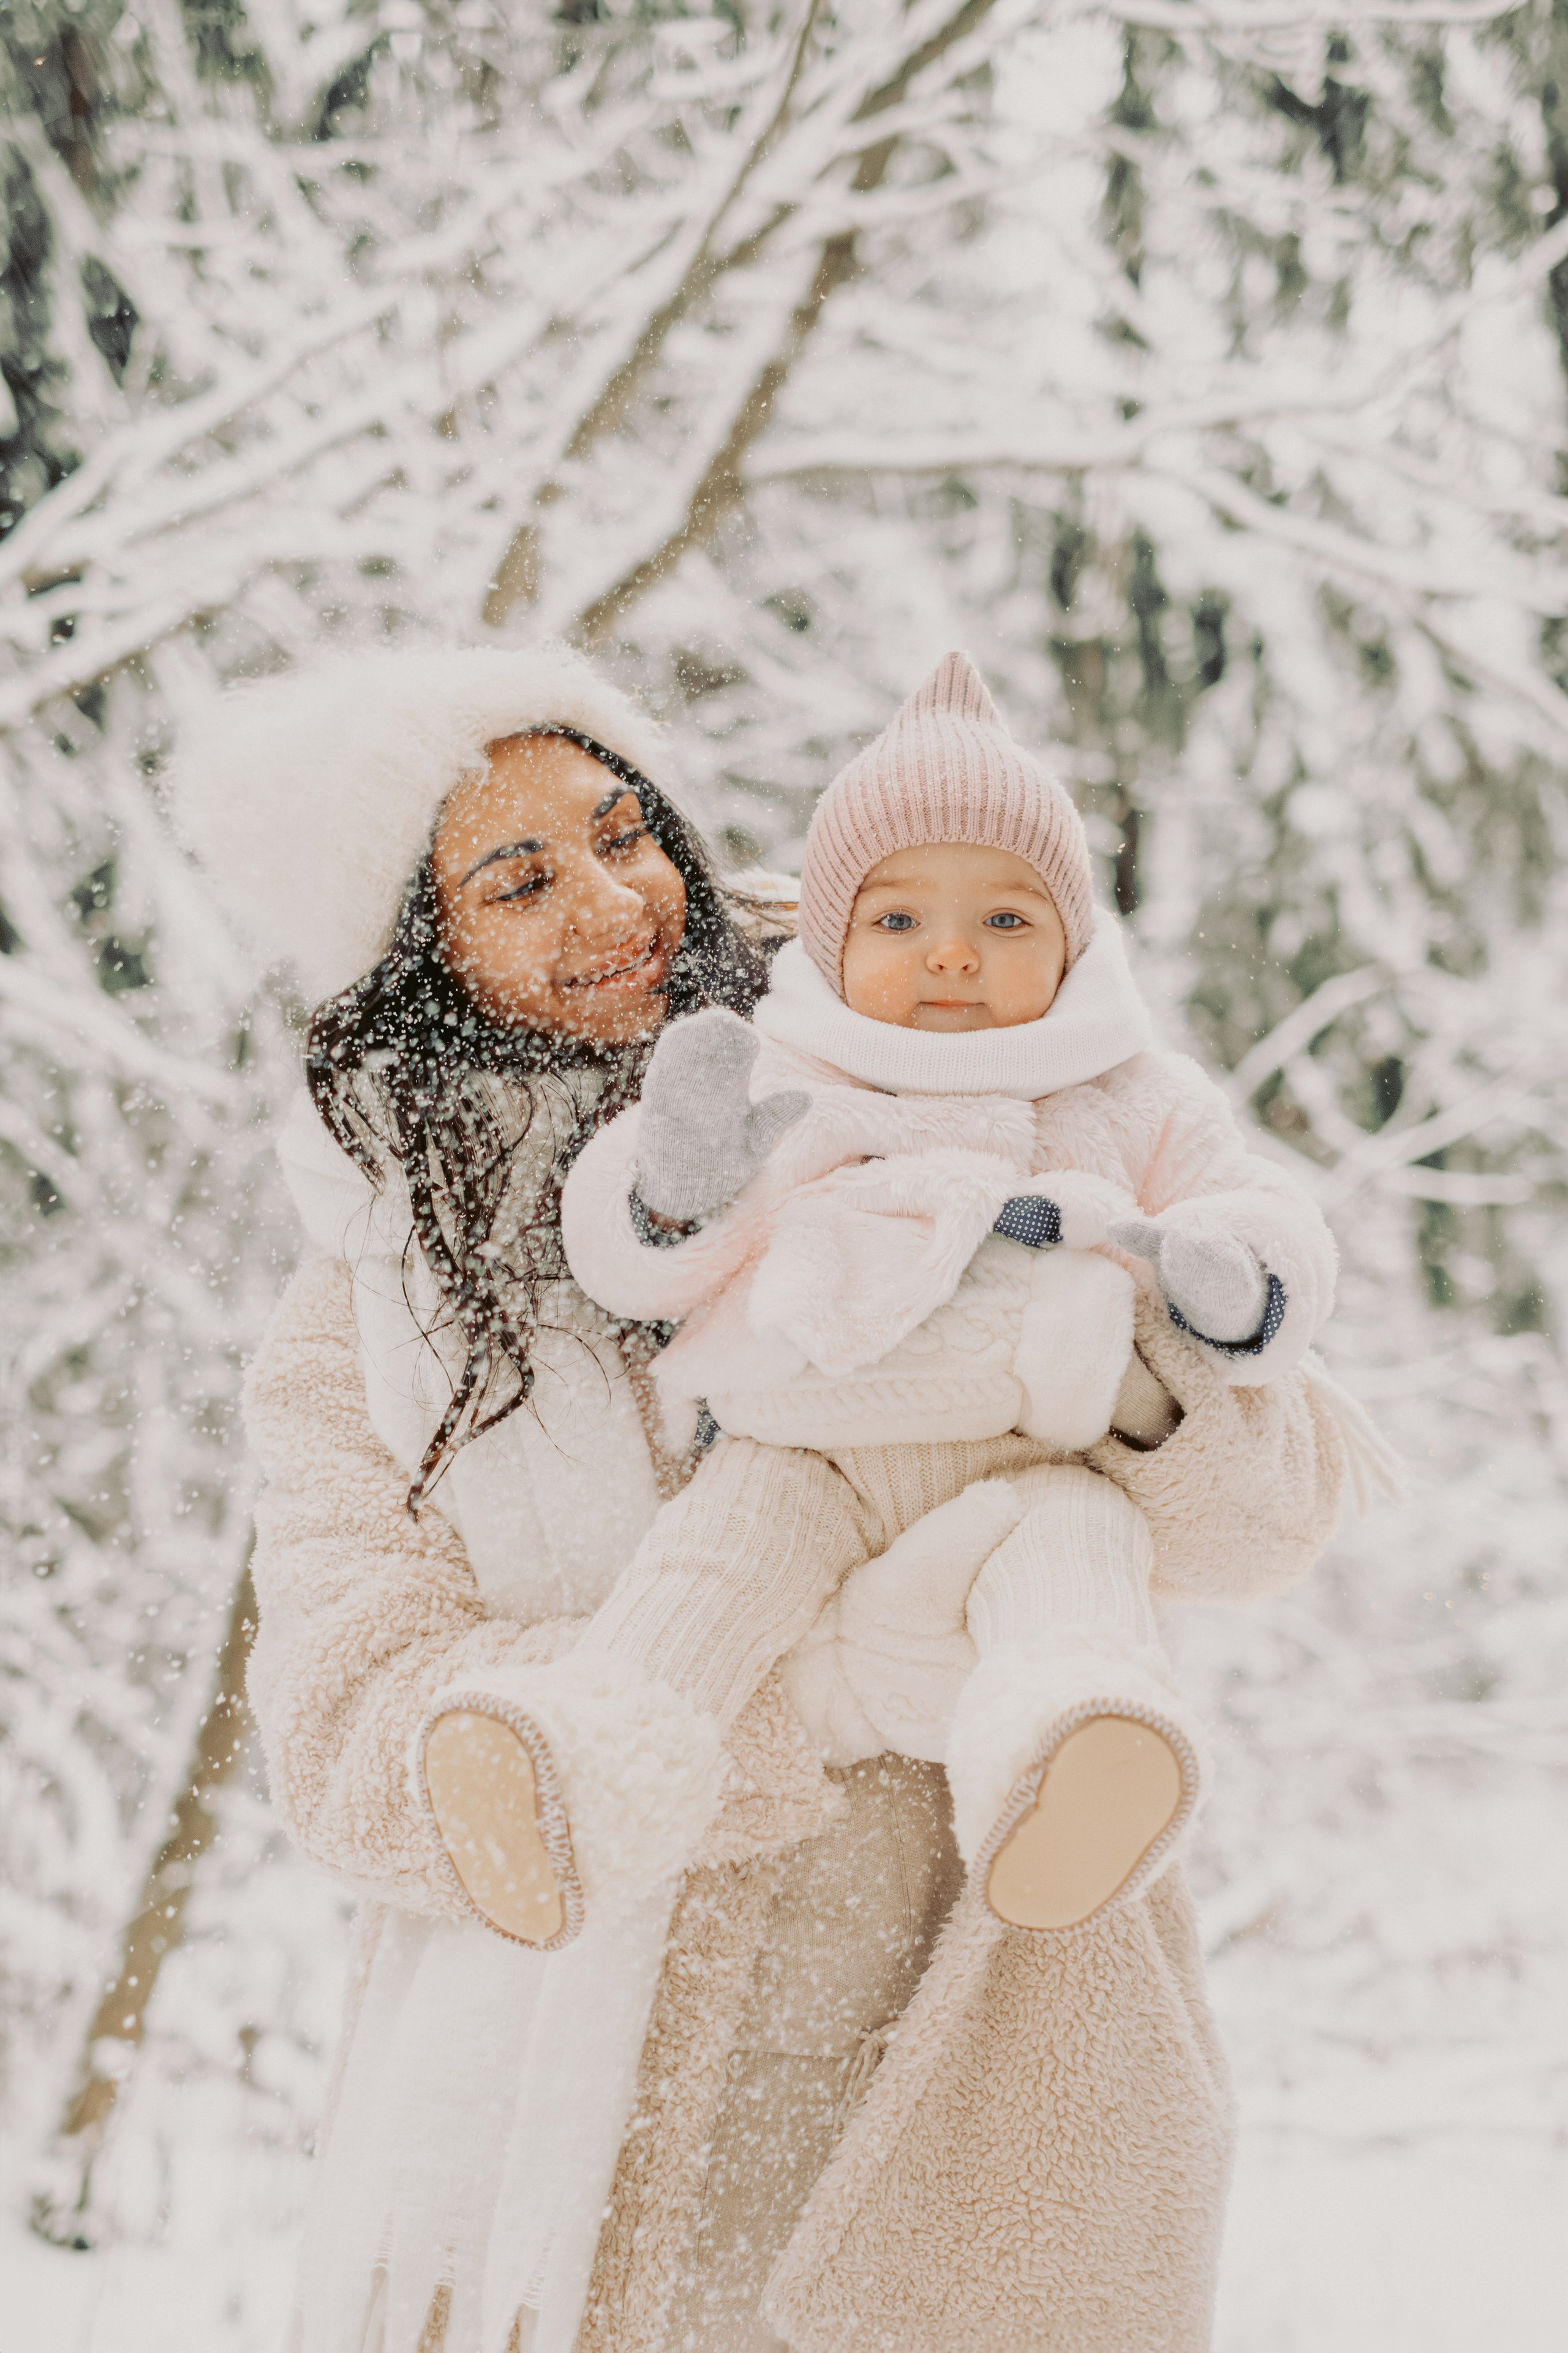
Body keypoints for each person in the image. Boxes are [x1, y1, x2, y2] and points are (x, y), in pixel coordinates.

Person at [174, 640, 1352, 2353]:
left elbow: (1271, 1519)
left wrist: (1116, 1358)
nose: (614, 897)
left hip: (982, 2024)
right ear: (424, 961)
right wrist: (830, 1685)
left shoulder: (952, 1083)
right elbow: (354, 1744)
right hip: (580, 2109)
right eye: (519, 877)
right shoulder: (368, 1320)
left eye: (622, 827)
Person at [428, 651, 1338, 1955]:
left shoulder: (1128, 1088)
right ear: (834, 938)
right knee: (712, 1568)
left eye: (1007, 923)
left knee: (1076, 1571)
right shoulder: (792, 1070)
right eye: (900, 923)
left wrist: (1235, 1277)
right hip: (808, 1452)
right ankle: (581, 1767)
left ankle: (1073, 1759)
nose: (952, 957)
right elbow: (640, 1257)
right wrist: (674, 1187)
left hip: (1036, 1467)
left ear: (1075, 943)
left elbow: (1260, 1208)